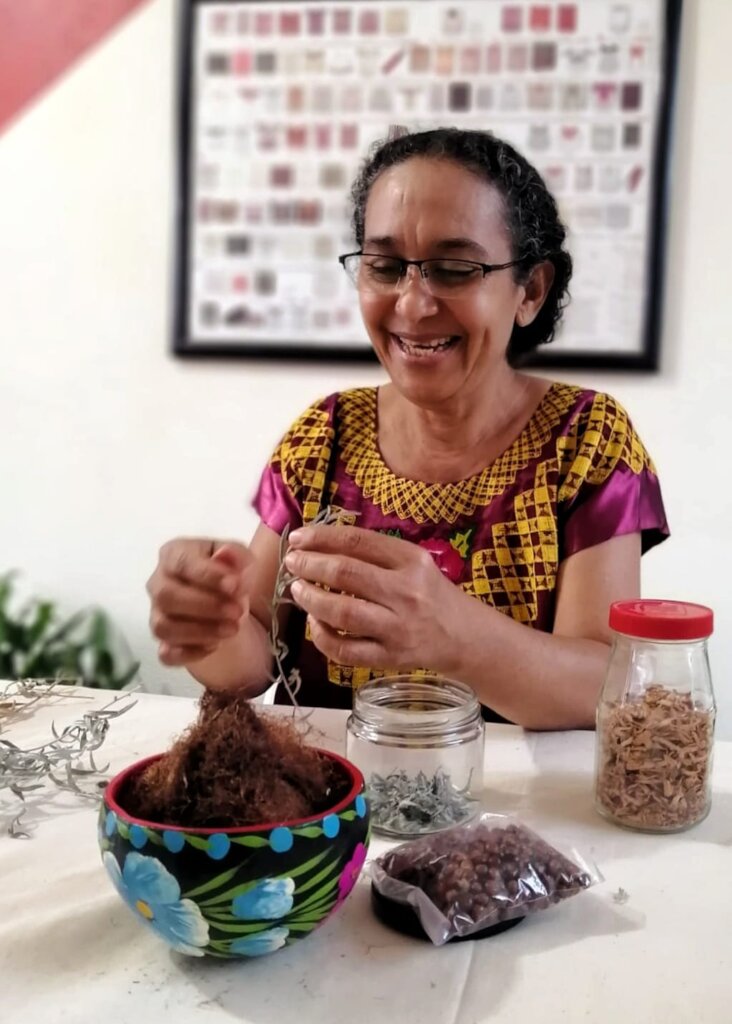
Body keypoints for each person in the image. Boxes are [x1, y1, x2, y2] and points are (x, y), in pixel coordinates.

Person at [146, 128, 668, 730]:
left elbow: (605, 683)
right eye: (385, 266)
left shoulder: (587, 441)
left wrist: (454, 634)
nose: (413, 305)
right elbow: (255, 660)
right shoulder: (324, 436)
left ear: (531, 289)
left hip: (513, 810)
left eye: (454, 269)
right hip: (343, 812)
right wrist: (205, 619)